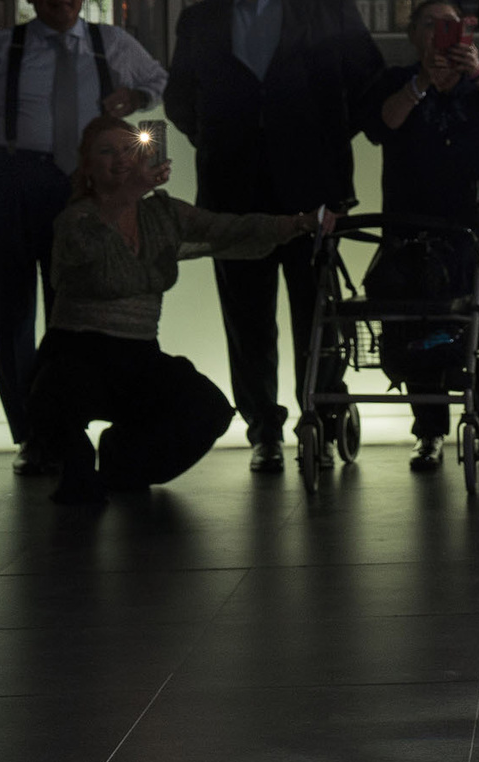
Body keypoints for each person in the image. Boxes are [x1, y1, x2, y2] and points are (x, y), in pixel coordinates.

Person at [165, 0, 382, 474]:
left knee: (321, 316)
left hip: (316, 193)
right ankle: (264, 430)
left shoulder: (327, 5)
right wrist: (223, 143)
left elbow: (366, 85)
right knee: (247, 321)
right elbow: (180, 102)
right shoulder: (200, 20)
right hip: (233, 197)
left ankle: (327, 421)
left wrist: (323, 143)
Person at [30, 115, 338, 506]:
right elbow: (86, 259)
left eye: (129, 149)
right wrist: (129, 193)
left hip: (137, 355)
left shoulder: (162, 214)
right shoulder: (75, 218)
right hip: (75, 354)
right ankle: (76, 467)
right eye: (107, 152)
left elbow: (228, 229)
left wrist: (300, 223)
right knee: (55, 405)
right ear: (87, 167)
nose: (120, 159)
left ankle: (120, 463)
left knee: (207, 410)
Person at [0, 0, 167, 475]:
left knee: (81, 315)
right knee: (12, 314)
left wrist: (134, 94)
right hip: (11, 182)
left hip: (85, 189)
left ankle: (72, 427)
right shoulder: (1, 48)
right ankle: (33, 435)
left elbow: (160, 80)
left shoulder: (110, 42)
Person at [356, 0, 479, 474]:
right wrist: (422, 84)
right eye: (432, 25)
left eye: (453, 25)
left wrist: (477, 75)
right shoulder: (397, 80)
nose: (443, 33)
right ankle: (430, 431)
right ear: (414, 34)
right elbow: (379, 125)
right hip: (418, 232)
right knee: (419, 327)